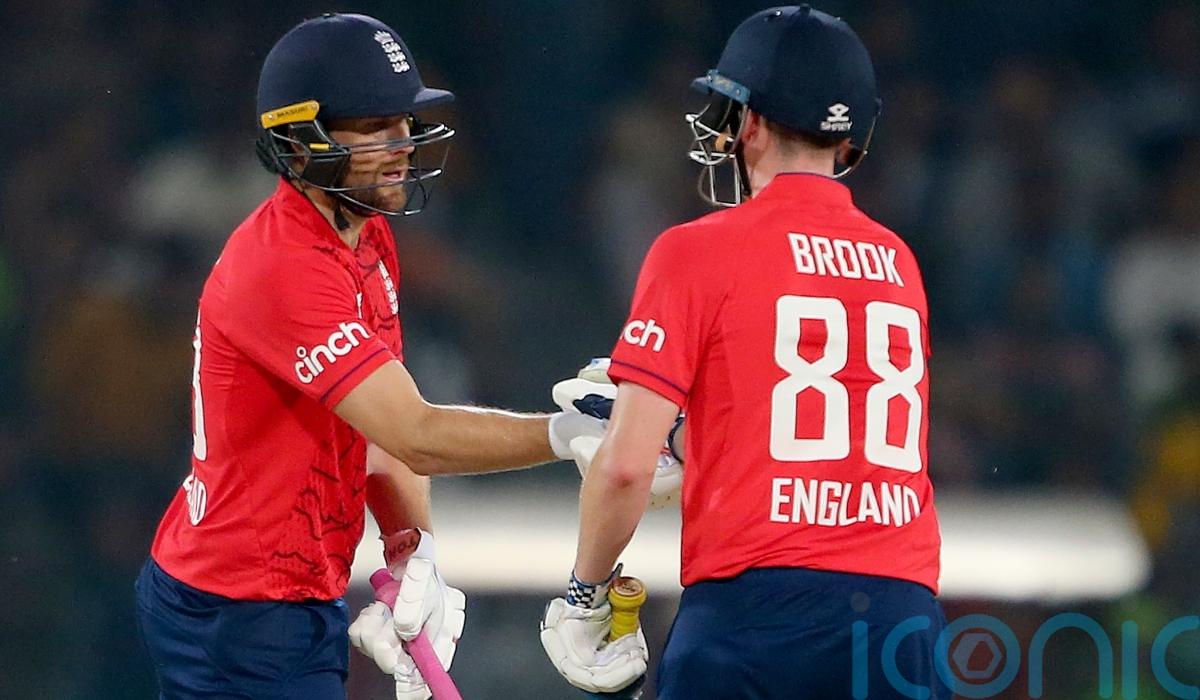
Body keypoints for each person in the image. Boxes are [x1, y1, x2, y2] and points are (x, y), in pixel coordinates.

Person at [134, 13, 602, 700]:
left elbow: (379, 430)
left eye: (404, 122)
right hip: (239, 610)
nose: (403, 143)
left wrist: (412, 549)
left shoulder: (365, 233)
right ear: (302, 143)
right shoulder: (285, 266)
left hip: (283, 593)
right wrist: (567, 434)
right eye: (375, 126)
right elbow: (417, 434)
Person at [541, 6, 947, 699]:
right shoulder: (897, 261)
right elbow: (822, 439)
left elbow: (626, 468)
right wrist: (685, 435)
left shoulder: (696, 251)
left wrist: (586, 593)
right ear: (850, 136)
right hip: (900, 619)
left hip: (753, 615)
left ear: (750, 122)